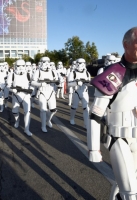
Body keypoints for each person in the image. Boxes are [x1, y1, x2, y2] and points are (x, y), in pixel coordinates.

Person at [87, 27, 137, 200]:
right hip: (119, 139)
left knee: (123, 183)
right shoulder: (111, 72)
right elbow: (95, 114)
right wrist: (93, 147)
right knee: (131, 193)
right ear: (126, 44)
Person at [31, 57, 59, 133]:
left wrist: (57, 82)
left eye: (48, 61)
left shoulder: (53, 72)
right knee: (43, 110)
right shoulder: (38, 71)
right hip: (42, 92)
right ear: (41, 62)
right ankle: (43, 126)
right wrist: (40, 84)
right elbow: (33, 82)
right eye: (44, 61)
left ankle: (48, 120)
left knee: (53, 110)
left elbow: (57, 81)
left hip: (51, 92)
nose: (46, 63)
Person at [7, 59, 32, 136]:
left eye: (22, 66)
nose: (21, 67)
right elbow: (8, 85)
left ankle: (26, 129)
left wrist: (31, 90)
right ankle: (17, 121)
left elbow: (32, 83)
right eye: (18, 66)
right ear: (15, 66)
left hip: (26, 95)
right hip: (16, 95)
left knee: (27, 112)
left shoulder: (28, 74)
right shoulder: (12, 74)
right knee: (15, 111)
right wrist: (12, 89)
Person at [68, 58, 91, 129]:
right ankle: (71, 118)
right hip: (76, 91)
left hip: (85, 91)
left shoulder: (87, 73)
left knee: (86, 108)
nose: (81, 65)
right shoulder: (73, 73)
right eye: (79, 63)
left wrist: (87, 83)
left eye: (82, 63)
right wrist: (77, 82)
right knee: (74, 107)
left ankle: (86, 123)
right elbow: (69, 83)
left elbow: (90, 82)